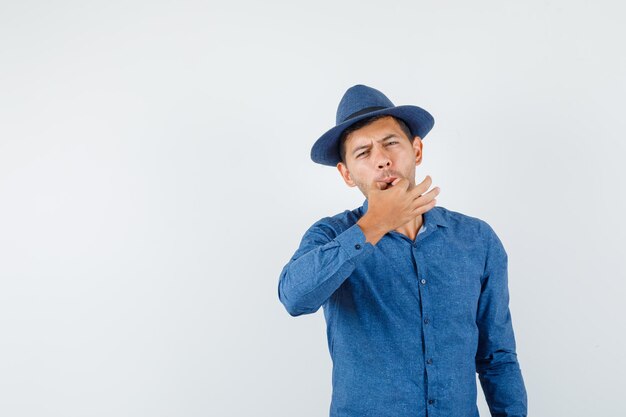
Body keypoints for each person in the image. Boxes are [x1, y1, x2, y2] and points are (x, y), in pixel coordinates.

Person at [277, 84, 528, 417]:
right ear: (346, 174)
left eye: (391, 143)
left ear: (417, 150)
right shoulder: (330, 235)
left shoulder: (477, 239)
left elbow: (497, 357)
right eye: (363, 153)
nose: (381, 160)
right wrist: (373, 225)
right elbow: (295, 297)